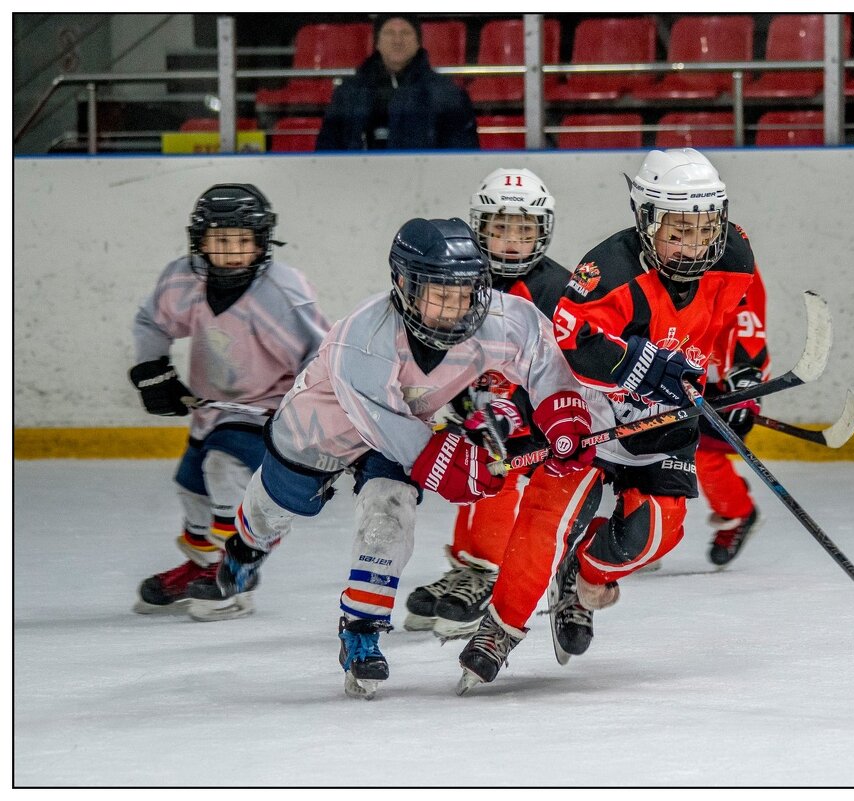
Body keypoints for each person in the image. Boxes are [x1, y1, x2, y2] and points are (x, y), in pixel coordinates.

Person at [187, 217, 596, 701]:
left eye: (466, 292)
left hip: (404, 427)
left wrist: (564, 416)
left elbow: (541, 354)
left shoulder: (499, 317)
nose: (456, 306)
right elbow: (395, 432)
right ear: (404, 284)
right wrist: (459, 466)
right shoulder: (362, 338)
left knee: (389, 512)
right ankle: (245, 548)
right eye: (439, 292)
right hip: (321, 429)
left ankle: (360, 631)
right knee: (275, 507)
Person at [455, 148, 769, 690]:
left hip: (663, 421)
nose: (692, 245)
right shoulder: (609, 269)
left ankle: (584, 572)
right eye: (676, 231)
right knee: (545, 515)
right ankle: (502, 626)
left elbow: (745, 310)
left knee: (654, 535)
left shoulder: (734, 252)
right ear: (647, 219)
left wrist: (743, 371)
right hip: (589, 412)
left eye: (702, 230)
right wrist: (640, 364)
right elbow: (573, 341)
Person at [130, 184, 329, 615]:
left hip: (267, 410)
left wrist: (306, 417)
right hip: (210, 409)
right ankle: (202, 564)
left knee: (224, 470)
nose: (233, 251)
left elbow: (320, 356)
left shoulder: (282, 293)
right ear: (199, 241)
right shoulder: (184, 278)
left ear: (262, 241)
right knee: (193, 489)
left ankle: (236, 572)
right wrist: (153, 371)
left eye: (244, 240)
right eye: (221, 240)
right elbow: (152, 321)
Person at [402, 167, 575, 641]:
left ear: (544, 231)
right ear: (479, 229)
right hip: (481, 408)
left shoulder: (560, 289)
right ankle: (469, 567)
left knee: (496, 472)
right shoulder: (458, 277)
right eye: (500, 229)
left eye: (524, 230)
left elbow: (566, 365)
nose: (512, 242)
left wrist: (528, 408)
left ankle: (486, 570)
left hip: (539, 417)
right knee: (467, 471)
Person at [696, 264, 771, 567]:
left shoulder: (732, 258)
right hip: (672, 374)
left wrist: (745, 379)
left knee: (704, 455)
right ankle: (636, 531)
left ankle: (738, 510)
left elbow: (746, 323)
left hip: (725, 382)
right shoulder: (657, 251)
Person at [315, 15, 479, 151]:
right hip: (359, 183)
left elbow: (463, 155)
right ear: (377, 42)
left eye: (406, 33)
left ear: (418, 42)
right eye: (389, 33)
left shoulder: (448, 93)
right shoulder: (349, 91)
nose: (397, 40)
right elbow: (327, 149)